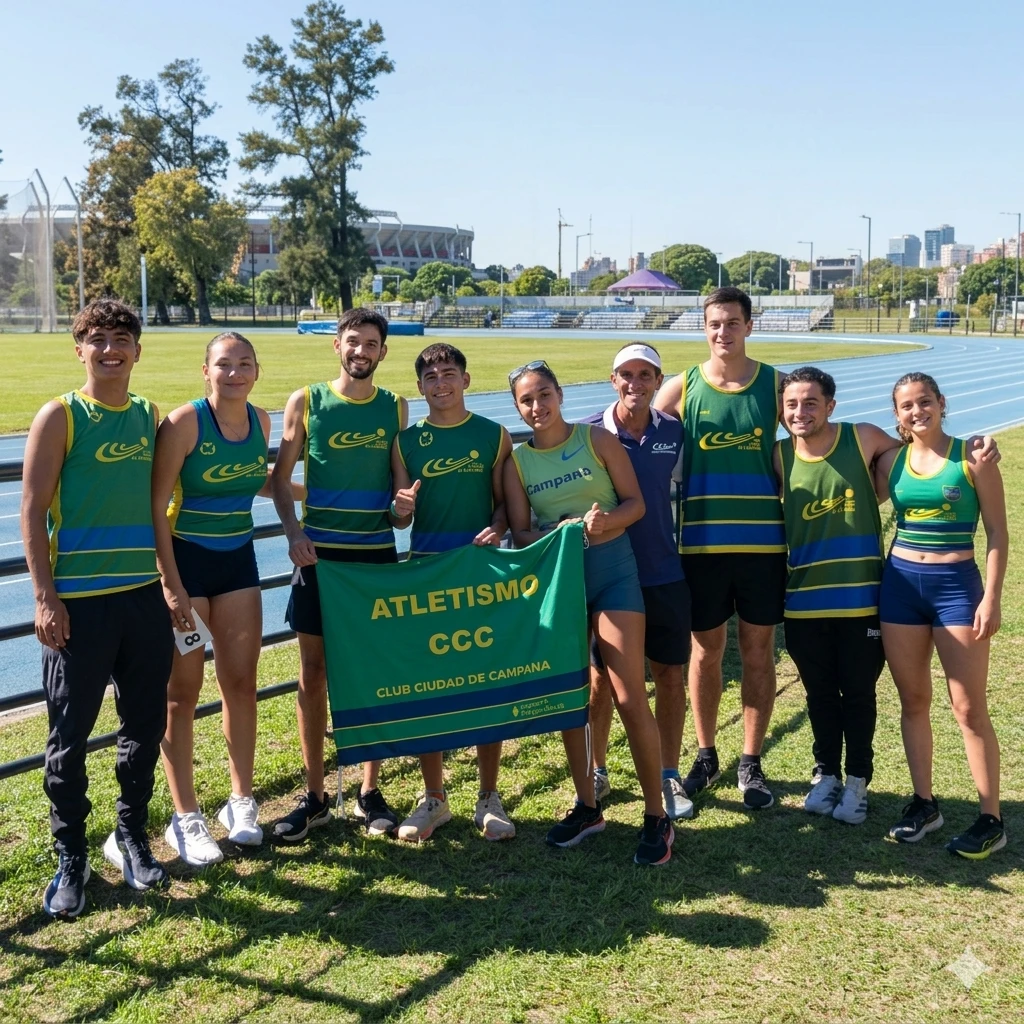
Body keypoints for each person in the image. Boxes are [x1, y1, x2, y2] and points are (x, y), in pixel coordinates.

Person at [21, 300, 174, 919]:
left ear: (138, 350)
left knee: (144, 726)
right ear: (79, 349)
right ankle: (71, 855)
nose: (111, 350)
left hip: (142, 599)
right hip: (79, 606)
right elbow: (31, 511)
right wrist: (44, 597)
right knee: (69, 738)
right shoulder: (62, 415)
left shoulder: (150, 417)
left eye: (122, 340)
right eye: (98, 340)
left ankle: (130, 835)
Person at [503, 360, 674, 866]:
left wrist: (603, 522)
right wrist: (564, 531)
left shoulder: (596, 440)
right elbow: (520, 532)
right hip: (560, 579)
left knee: (627, 694)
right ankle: (587, 805)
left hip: (614, 572)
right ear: (517, 406)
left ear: (559, 394)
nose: (537, 407)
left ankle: (655, 815)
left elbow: (635, 505)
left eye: (544, 395)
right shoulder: (516, 462)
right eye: (526, 400)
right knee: (571, 696)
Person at [152, 332, 295, 865]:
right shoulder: (185, 423)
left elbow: (252, 480)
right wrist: (170, 582)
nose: (234, 372)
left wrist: (315, 494)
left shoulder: (261, 421)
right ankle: (184, 815)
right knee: (181, 692)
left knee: (240, 681)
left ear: (257, 371)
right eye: (223, 364)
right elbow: (156, 503)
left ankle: (241, 801)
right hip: (186, 564)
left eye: (244, 364)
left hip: (238, 563)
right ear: (205, 371)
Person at [269, 308, 408, 841]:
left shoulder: (395, 406)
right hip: (319, 559)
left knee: (371, 674)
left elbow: (401, 504)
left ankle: (370, 791)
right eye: (353, 341)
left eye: (371, 343)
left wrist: (403, 508)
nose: (361, 351)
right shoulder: (307, 401)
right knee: (313, 674)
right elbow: (282, 481)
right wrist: (292, 533)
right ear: (337, 345)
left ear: (382, 352)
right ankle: (315, 795)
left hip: (373, 560)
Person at [653, 286, 784, 809]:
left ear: (749, 326)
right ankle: (705, 754)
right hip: (701, 546)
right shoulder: (682, 386)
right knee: (705, 652)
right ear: (703, 328)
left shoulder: (775, 385)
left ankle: (750, 762)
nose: (722, 332)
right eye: (714, 323)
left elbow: (817, 433)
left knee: (758, 650)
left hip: (763, 546)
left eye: (732, 322)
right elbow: (629, 430)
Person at [876, 372, 1008, 858]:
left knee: (968, 707)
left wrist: (990, 598)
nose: (917, 411)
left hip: (956, 589)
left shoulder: (972, 457)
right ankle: (924, 804)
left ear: (941, 403)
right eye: (907, 406)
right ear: (897, 415)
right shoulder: (892, 459)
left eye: (924, 402)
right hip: (901, 589)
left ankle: (991, 818)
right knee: (912, 699)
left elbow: (996, 533)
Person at [389, 343, 516, 841]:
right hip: (426, 575)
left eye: (449, 373)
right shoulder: (405, 442)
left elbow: (506, 506)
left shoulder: (494, 435)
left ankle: (489, 795)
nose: (440, 383)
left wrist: (499, 526)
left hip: (481, 571)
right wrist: (399, 507)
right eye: (430, 377)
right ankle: (434, 798)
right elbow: (401, 517)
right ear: (419, 387)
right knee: (430, 686)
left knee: (484, 681)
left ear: (466, 379)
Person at [775, 367, 896, 824]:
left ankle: (858, 782)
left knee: (859, 693)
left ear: (830, 406)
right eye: (791, 404)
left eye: (810, 403)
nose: (800, 412)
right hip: (804, 601)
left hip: (862, 600)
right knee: (819, 694)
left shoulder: (862, 438)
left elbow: (916, 457)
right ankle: (826, 774)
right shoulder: (779, 456)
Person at [582, 343, 693, 821]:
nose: (635, 383)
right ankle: (598, 767)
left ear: (657, 380)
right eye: (626, 374)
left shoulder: (674, 432)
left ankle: (669, 773)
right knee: (600, 681)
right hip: (606, 577)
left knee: (669, 675)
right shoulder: (588, 434)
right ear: (613, 380)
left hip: (663, 572)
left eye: (645, 374)